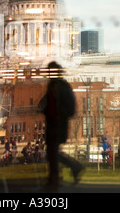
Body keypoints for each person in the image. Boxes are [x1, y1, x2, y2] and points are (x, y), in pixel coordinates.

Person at [39, 61, 83, 189]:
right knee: (52, 152)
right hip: (53, 124)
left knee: (52, 152)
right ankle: (57, 176)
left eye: (50, 71)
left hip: (57, 125)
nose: (48, 74)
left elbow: (70, 108)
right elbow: (46, 104)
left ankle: (57, 177)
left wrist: (57, 113)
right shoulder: (54, 86)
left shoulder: (61, 86)